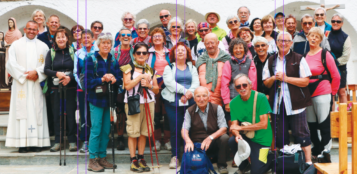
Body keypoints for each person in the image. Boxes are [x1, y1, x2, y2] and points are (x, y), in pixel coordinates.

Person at [263, 32, 313, 164]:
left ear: (291, 43)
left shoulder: (299, 58)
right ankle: (284, 163)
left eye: (286, 41)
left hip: (296, 104)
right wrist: (274, 78)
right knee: (280, 136)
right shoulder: (271, 60)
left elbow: (305, 81)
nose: (283, 43)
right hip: (277, 104)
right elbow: (266, 83)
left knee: (301, 133)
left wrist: (286, 79)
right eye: (280, 40)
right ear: (277, 43)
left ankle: (308, 162)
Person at [5, 20, 50, 153]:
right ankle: (22, 144)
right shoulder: (15, 45)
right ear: (25, 29)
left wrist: (36, 72)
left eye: (34, 29)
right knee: (22, 112)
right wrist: (25, 75)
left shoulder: (43, 46)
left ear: (37, 31)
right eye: (29, 29)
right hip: (21, 85)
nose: (31, 31)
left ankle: (37, 143)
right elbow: (10, 63)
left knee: (37, 111)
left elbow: (47, 65)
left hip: (36, 83)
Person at [85, 32, 121, 172]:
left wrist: (113, 78)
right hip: (96, 100)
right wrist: (101, 79)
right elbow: (87, 83)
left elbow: (119, 79)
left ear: (111, 45)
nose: (106, 45)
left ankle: (102, 157)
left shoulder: (113, 60)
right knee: (96, 129)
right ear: (98, 44)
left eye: (108, 43)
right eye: (103, 43)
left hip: (109, 100)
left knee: (106, 130)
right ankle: (92, 160)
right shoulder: (91, 59)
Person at [120, 43, 159, 173]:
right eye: (139, 53)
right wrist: (141, 77)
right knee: (133, 132)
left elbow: (157, 89)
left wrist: (148, 85)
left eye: (144, 53)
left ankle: (141, 157)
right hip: (133, 102)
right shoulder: (128, 68)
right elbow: (127, 86)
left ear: (148, 55)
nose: (141, 55)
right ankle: (133, 160)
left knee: (144, 132)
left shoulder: (151, 69)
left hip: (149, 102)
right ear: (134, 54)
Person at [305, 27, 340, 163]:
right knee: (311, 124)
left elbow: (336, 75)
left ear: (320, 40)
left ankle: (326, 151)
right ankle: (317, 149)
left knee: (324, 123)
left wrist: (333, 94)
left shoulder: (325, 54)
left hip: (322, 91)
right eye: (311, 36)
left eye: (317, 37)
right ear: (307, 37)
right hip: (308, 93)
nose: (313, 38)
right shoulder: (305, 55)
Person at [162, 42, 199, 169]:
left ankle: (187, 156)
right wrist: (185, 91)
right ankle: (175, 156)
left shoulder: (192, 67)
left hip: (190, 103)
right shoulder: (169, 67)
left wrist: (189, 94)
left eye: (183, 50)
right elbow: (169, 83)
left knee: (189, 128)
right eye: (178, 50)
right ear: (173, 54)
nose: (180, 52)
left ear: (187, 53)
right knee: (175, 129)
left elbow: (196, 82)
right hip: (173, 103)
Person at [229, 74, 273, 174]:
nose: (242, 88)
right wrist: (237, 135)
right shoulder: (233, 103)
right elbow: (234, 126)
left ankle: (270, 158)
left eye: (244, 85)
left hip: (262, 140)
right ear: (235, 89)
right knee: (232, 141)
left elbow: (264, 124)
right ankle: (244, 166)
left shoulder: (261, 98)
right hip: (247, 137)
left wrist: (239, 128)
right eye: (238, 86)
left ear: (250, 85)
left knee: (257, 171)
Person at [182, 86, 229, 174]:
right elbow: (184, 129)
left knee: (225, 137)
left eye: (204, 96)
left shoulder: (217, 108)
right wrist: (188, 141)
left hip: (213, 142)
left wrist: (210, 137)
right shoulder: (189, 111)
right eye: (198, 96)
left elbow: (224, 128)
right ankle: (202, 163)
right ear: (194, 98)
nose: (201, 99)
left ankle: (222, 165)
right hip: (198, 145)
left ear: (208, 97)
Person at [44, 29, 77, 152]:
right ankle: (58, 141)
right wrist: (57, 73)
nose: (61, 39)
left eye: (63, 37)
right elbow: (46, 69)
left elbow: (78, 70)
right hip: (55, 87)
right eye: (58, 37)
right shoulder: (51, 53)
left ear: (67, 39)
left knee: (70, 114)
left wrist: (70, 78)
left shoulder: (73, 52)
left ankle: (72, 140)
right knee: (57, 114)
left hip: (70, 87)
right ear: (55, 39)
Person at [221, 38, 257, 125]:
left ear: (244, 49)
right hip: (232, 99)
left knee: (246, 124)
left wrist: (252, 99)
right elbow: (224, 83)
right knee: (232, 125)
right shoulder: (228, 63)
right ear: (232, 50)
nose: (238, 50)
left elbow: (253, 82)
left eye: (240, 48)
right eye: (235, 48)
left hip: (246, 99)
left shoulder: (250, 62)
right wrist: (226, 102)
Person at [146, 27, 171, 152]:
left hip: (168, 88)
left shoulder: (170, 52)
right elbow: (145, 68)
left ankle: (167, 139)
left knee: (167, 114)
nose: (157, 38)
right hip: (153, 87)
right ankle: (156, 140)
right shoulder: (148, 52)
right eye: (154, 36)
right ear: (151, 39)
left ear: (164, 39)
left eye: (159, 36)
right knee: (155, 115)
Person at [73, 29, 95, 153]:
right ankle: (85, 141)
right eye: (83, 37)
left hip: (95, 88)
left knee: (95, 114)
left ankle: (95, 141)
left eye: (88, 37)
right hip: (83, 89)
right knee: (84, 115)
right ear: (80, 40)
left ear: (92, 39)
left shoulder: (96, 52)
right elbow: (75, 72)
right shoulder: (78, 54)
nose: (86, 40)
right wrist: (82, 85)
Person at [113, 27, 135, 151]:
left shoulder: (135, 50)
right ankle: (120, 138)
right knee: (120, 111)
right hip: (119, 85)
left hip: (132, 84)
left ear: (131, 37)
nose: (126, 37)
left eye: (128, 35)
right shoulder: (114, 51)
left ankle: (132, 135)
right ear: (119, 38)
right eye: (123, 35)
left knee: (132, 110)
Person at [196, 33, 231, 106]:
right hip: (203, 100)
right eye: (207, 43)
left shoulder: (226, 59)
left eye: (212, 43)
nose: (210, 46)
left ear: (218, 43)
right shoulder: (200, 60)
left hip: (223, 100)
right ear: (204, 45)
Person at [328, 13, 351, 105]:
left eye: (338, 21)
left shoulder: (345, 37)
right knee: (331, 93)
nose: (335, 23)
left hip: (340, 68)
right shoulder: (327, 34)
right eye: (333, 21)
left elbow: (346, 56)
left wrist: (334, 63)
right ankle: (331, 117)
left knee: (341, 92)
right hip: (328, 68)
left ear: (342, 23)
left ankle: (344, 117)